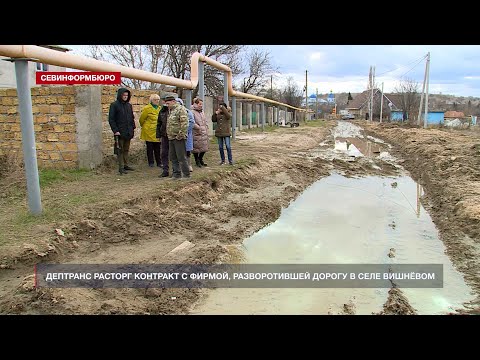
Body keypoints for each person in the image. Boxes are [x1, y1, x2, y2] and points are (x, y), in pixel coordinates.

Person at [108, 87, 135, 175]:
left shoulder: (129, 105)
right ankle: (121, 167)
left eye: (127, 95)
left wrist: (132, 128)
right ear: (120, 95)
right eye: (124, 95)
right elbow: (111, 119)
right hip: (119, 132)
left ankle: (126, 165)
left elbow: (131, 118)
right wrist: (115, 130)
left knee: (126, 149)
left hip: (128, 131)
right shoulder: (114, 105)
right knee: (120, 150)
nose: (125, 97)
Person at [165, 94, 190, 179]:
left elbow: (184, 123)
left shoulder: (180, 109)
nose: (167, 105)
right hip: (171, 137)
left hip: (178, 137)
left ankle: (186, 174)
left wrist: (180, 135)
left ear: (173, 101)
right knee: (173, 157)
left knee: (181, 157)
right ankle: (176, 174)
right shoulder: (171, 110)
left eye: (168, 103)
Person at [139, 94, 161, 168]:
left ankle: (159, 162)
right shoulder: (147, 108)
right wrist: (145, 127)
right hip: (148, 131)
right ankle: (151, 162)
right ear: (151, 100)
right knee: (150, 148)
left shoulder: (160, 108)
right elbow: (141, 119)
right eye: (155, 100)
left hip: (157, 130)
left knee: (157, 148)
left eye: (158, 100)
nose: (157, 101)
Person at [175, 98, 195, 173]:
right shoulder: (172, 112)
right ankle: (179, 167)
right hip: (175, 135)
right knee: (178, 151)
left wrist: (184, 131)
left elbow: (192, 122)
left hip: (186, 134)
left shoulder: (187, 112)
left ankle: (189, 165)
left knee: (187, 151)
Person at [191, 97, 209, 167]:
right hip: (197, 132)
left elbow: (205, 120)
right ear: (195, 104)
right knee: (196, 148)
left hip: (204, 132)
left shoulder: (202, 112)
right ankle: (197, 161)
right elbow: (192, 122)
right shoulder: (192, 112)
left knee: (204, 147)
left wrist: (206, 126)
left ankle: (201, 159)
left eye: (201, 104)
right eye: (199, 104)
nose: (201, 105)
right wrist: (198, 127)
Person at [156, 95, 170, 177]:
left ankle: (177, 170)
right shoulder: (162, 111)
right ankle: (165, 170)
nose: (166, 103)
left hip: (173, 135)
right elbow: (159, 123)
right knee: (164, 153)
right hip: (164, 135)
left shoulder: (176, 110)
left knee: (174, 154)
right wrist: (158, 134)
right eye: (165, 101)